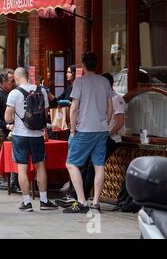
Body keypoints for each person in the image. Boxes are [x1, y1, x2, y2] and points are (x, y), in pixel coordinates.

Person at [63, 52, 113, 214]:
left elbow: (74, 107)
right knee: (99, 165)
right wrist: (105, 122)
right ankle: (96, 203)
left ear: (83, 65)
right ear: (96, 65)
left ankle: (82, 201)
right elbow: (110, 107)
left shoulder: (80, 82)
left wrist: (72, 128)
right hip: (101, 129)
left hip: (84, 129)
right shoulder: (104, 81)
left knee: (71, 164)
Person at [4, 67, 58, 212]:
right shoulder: (42, 91)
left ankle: (27, 202)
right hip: (37, 135)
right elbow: (45, 114)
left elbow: (8, 117)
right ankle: (44, 201)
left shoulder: (14, 93)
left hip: (20, 135)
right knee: (40, 166)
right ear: (27, 76)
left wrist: (13, 121)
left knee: (22, 168)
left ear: (15, 78)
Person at [76, 72, 125, 212]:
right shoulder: (104, 98)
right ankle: (81, 196)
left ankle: (85, 197)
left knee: (94, 166)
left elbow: (120, 121)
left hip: (109, 138)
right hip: (97, 135)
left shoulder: (117, 99)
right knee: (86, 164)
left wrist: (107, 134)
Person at [0, 69, 19, 193]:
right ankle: (11, 182)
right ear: (3, 81)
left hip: (20, 130)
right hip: (7, 132)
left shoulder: (16, 92)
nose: (14, 83)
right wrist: (7, 126)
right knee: (11, 158)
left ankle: (15, 182)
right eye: (12, 81)